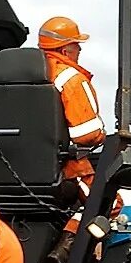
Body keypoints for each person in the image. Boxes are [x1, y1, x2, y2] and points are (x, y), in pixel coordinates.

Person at [36, 16, 107, 198]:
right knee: (108, 203)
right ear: (65, 50)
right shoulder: (70, 79)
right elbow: (86, 135)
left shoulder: (16, 78)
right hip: (62, 169)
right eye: (76, 44)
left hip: (8, 169)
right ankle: (71, 228)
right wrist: (104, 138)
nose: (80, 48)